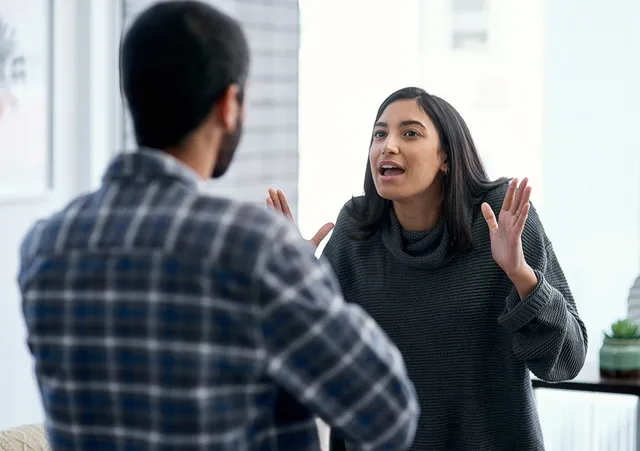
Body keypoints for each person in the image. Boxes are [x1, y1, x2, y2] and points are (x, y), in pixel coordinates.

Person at [17, 3, 420, 450]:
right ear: (229, 105)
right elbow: (389, 415)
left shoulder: (43, 247)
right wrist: (306, 280)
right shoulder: (253, 247)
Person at [267, 86, 588, 451]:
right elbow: (312, 366)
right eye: (379, 134)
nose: (387, 146)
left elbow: (566, 361)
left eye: (410, 133)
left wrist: (519, 273)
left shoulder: (502, 219)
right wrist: (297, 286)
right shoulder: (356, 229)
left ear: (446, 158)